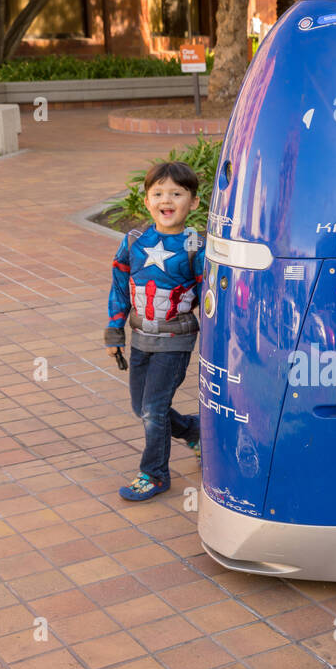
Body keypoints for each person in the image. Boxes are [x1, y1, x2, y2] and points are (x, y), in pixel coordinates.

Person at [104, 162, 205, 502]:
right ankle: (194, 430)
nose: (167, 199)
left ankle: (155, 473)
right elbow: (119, 286)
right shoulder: (134, 240)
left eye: (177, 193)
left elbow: (211, 296)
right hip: (140, 339)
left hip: (176, 340)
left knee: (153, 408)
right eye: (158, 193)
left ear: (193, 202)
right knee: (142, 408)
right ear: (146, 201)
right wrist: (114, 331)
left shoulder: (196, 245)